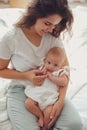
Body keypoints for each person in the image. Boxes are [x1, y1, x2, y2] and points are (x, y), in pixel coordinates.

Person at [0, 0, 82, 130]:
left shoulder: (53, 38)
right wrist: (27, 76)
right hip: (22, 88)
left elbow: (65, 70)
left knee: (74, 125)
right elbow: (1, 70)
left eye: (54, 25)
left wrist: (60, 102)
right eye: (47, 23)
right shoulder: (11, 38)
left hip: (50, 89)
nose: (50, 29)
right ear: (34, 15)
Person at [24, 47, 69, 130]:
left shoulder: (60, 72)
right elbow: (34, 76)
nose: (51, 66)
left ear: (61, 65)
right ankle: (40, 115)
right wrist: (40, 74)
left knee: (49, 113)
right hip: (38, 93)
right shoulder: (42, 68)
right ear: (45, 60)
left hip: (49, 98)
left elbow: (64, 82)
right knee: (28, 103)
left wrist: (53, 78)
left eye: (55, 65)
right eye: (49, 62)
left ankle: (45, 127)